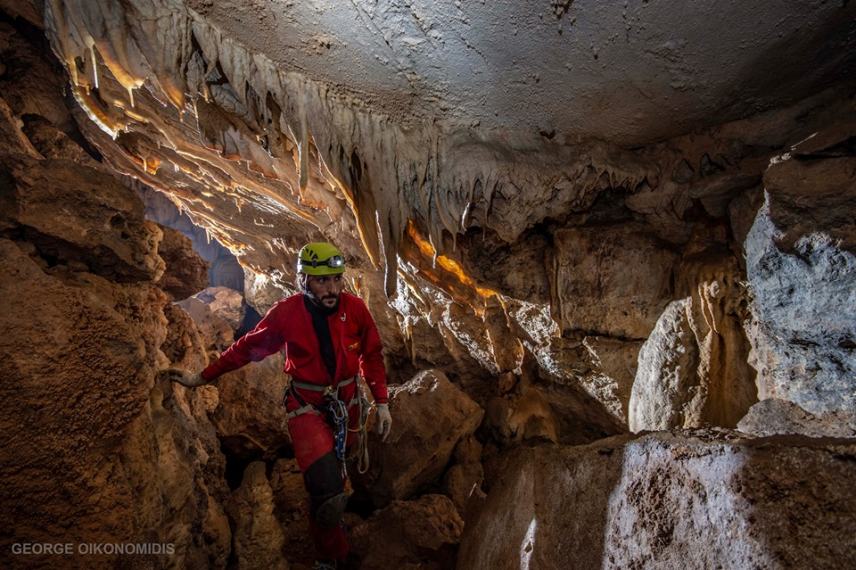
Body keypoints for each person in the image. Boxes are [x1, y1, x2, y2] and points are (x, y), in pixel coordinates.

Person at [164, 242, 392, 570]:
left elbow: (371, 355)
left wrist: (381, 401)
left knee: (340, 476)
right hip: (307, 406)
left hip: (347, 404)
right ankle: (331, 558)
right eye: (321, 280)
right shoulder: (287, 314)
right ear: (304, 281)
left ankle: (333, 524)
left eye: (336, 280)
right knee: (327, 493)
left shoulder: (354, 309)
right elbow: (247, 348)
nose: (331, 288)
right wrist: (202, 377)